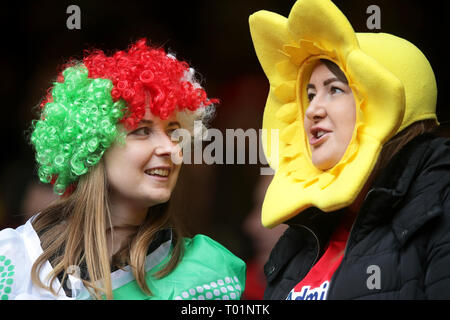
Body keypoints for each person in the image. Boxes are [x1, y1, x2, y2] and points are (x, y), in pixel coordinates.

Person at [0, 38, 246, 300]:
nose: (170, 148)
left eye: (174, 132)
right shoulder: (13, 262)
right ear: (94, 145)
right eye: (142, 130)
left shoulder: (207, 272)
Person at [249, 0, 450, 299]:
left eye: (335, 89)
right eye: (309, 94)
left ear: (390, 103)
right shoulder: (304, 236)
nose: (311, 110)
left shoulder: (440, 203)